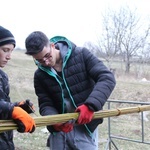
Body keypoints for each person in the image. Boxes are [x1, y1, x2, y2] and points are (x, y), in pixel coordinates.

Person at [25, 31, 116, 150]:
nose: (46, 62)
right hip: (59, 130)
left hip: (85, 126)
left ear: (52, 46)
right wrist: (54, 121)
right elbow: (45, 103)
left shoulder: (81, 55)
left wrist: (90, 106)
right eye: (40, 60)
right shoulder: (39, 75)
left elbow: (107, 78)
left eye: (47, 56)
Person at [0, 26, 36, 150]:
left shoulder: (2, 76)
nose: (9, 56)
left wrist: (18, 107)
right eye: (5, 50)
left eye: (11, 51)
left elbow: (2, 107)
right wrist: (12, 110)